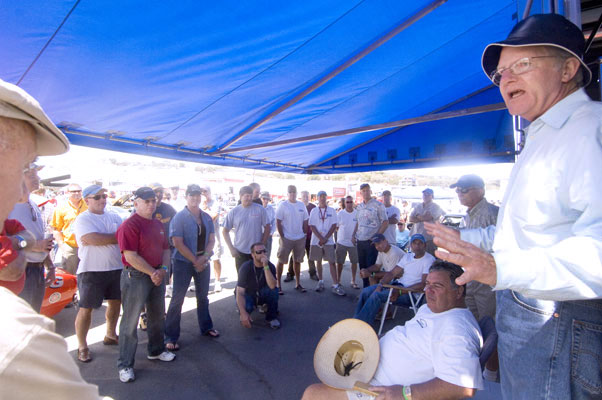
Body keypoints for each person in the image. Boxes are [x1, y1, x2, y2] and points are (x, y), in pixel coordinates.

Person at [426, 14, 602, 399]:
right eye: (501, 73)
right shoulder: (542, 135)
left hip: (559, 320)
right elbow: (522, 230)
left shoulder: (587, 131)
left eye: (522, 65)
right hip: (536, 315)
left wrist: (499, 268)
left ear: (569, 68)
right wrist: (463, 237)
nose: (506, 80)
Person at [0, 77, 110, 399]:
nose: (24, 190)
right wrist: (25, 244)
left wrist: (38, 254)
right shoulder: (18, 337)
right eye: (24, 167)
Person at [303, 261, 483, 400]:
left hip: (383, 389)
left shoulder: (457, 329)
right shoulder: (432, 309)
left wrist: (405, 393)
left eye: (437, 286)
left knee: (313, 394)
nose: (428, 291)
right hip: (370, 367)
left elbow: (463, 386)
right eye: (427, 284)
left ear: (458, 291)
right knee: (332, 365)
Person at [116, 186, 175, 383]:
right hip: (137, 276)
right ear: (136, 203)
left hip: (157, 274)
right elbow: (130, 256)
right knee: (130, 321)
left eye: (153, 201)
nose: (151, 204)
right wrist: (153, 272)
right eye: (147, 201)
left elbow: (166, 249)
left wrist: (164, 270)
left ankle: (156, 350)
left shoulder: (157, 224)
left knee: (157, 315)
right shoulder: (130, 225)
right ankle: (125, 364)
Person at [72, 185, 123, 363]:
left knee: (116, 303)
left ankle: (110, 334)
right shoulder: (82, 219)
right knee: (86, 309)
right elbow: (91, 239)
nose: (103, 199)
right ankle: (82, 346)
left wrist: (108, 237)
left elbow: (122, 235)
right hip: (91, 271)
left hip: (116, 268)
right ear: (87, 201)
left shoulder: (115, 216)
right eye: (98, 197)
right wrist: (116, 236)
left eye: (104, 196)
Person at [165, 184, 218, 350]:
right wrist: (196, 261)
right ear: (186, 197)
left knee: (203, 297)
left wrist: (204, 258)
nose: (195, 198)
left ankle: (206, 327)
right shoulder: (179, 217)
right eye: (192, 195)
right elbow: (177, 243)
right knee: (177, 299)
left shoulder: (207, 217)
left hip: (203, 260)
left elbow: (211, 240)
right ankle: (171, 336)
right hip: (182, 262)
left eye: (198, 195)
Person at [354, 234, 435, 325]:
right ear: (411, 245)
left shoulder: (429, 259)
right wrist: (381, 284)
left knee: (376, 295)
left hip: (410, 294)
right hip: (397, 286)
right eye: (414, 243)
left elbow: (423, 284)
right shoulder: (408, 256)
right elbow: (392, 273)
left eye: (420, 243)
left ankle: (362, 325)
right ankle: (357, 319)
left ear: (425, 245)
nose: (417, 246)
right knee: (365, 292)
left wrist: (399, 291)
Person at [450, 174, 499, 321]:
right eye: (457, 190)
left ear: (481, 191)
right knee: (472, 320)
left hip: (487, 281)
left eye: (464, 190)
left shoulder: (493, 214)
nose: (459, 193)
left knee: (488, 321)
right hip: (470, 278)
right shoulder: (467, 216)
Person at [8, 162, 55, 311]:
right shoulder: (6, 205)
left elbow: (42, 240)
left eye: (36, 173)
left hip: (36, 271)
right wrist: (35, 245)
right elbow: (6, 240)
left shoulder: (33, 204)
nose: (37, 177)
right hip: (19, 271)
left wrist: (49, 265)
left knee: (31, 318)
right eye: (31, 174)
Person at [223, 185, 270, 272]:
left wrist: (262, 243)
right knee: (242, 277)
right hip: (240, 251)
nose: (249, 198)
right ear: (240, 196)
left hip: (257, 252)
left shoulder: (260, 209)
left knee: (258, 276)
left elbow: (267, 227)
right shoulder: (234, 212)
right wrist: (231, 248)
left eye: (251, 196)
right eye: (246, 196)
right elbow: (225, 231)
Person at [236, 242, 280, 330]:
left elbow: (272, 286)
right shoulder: (246, 267)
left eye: (264, 251)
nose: (263, 254)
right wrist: (243, 312)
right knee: (246, 308)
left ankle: (271, 317)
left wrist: (266, 266)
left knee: (274, 291)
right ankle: (245, 310)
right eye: (259, 252)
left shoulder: (270, 266)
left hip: (262, 291)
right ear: (253, 255)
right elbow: (240, 292)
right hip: (249, 293)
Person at [275, 185, 309, 293]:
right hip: (287, 238)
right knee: (281, 261)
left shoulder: (301, 205)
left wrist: (304, 232)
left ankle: (298, 283)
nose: (292, 194)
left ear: (296, 193)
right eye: (290, 192)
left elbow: (305, 219)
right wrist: (282, 236)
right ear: (287, 193)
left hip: (300, 238)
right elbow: (278, 221)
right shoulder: (283, 205)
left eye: (294, 192)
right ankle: (278, 285)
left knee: (298, 261)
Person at [309, 191, 343, 295]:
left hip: (328, 241)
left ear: (326, 198)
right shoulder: (314, 211)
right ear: (317, 198)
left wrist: (325, 238)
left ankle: (336, 284)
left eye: (324, 196)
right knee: (318, 261)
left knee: (332, 262)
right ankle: (321, 281)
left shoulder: (332, 210)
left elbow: (334, 225)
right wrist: (320, 238)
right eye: (320, 196)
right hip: (316, 241)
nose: (322, 198)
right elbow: (312, 225)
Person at [355, 183, 388, 287]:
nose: (365, 192)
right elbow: (358, 222)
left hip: (372, 242)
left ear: (371, 191)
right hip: (360, 241)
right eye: (363, 191)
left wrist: (377, 237)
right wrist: (353, 235)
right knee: (362, 267)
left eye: (367, 190)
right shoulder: (359, 207)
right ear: (360, 193)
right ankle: (365, 290)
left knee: (372, 268)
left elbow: (385, 222)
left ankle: (373, 290)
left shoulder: (378, 205)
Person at [51, 182, 87, 274]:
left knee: (87, 275)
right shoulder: (61, 208)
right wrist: (62, 245)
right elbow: (56, 229)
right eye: (73, 191)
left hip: (87, 245)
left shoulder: (88, 204)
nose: (77, 193)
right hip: (71, 247)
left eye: (79, 191)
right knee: (70, 274)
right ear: (67, 193)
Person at [150, 183, 177, 296]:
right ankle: (145, 311)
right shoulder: (145, 209)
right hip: (149, 252)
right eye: (156, 191)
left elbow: (178, 223)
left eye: (161, 191)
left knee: (165, 273)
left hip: (167, 250)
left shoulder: (169, 209)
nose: (159, 194)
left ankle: (161, 306)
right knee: (150, 279)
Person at [286, 190, 317, 281]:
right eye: (304, 196)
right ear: (300, 197)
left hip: (310, 236)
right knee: (294, 256)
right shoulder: (297, 206)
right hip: (298, 236)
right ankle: (290, 274)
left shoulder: (313, 207)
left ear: (310, 197)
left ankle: (313, 273)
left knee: (311, 255)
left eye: (307, 196)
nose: (305, 198)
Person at [201, 185, 224, 292]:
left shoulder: (215, 203)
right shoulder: (198, 203)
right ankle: (200, 283)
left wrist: (205, 208)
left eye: (205, 191)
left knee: (215, 259)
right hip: (201, 237)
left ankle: (217, 282)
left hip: (213, 236)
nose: (203, 193)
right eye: (201, 192)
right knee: (201, 259)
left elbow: (212, 218)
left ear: (209, 192)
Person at [409, 188, 444, 255]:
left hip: (428, 239)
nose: (425, 196)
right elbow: (410, 219)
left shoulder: (436, 207)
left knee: (429, 259)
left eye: (428, 195)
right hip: (416, 238)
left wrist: (417, 216)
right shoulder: (418, 206)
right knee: (415, 258)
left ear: (432, 196)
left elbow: (427, 217)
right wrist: (421, 217)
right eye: (424, 194)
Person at [336, 195, 359, 289]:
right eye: (347, 202)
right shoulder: (340, 213)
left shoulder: (357, 213)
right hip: (341, 242)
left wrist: (354, 236)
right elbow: (337, 227)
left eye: (350, 202)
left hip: (353, 243)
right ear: (344, 203)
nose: (349, 204)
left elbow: (359, 226)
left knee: (354, 262)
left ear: (353, 202)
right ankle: (338, 280)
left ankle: (353, 280)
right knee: (340, 262)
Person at [259, 191, 276, 261]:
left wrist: (271, 232)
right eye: (264, 198)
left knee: (267, 253)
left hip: (268, 234)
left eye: (267, 199)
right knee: (257, 254)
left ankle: (266, 270)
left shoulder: (271, 208)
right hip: (258, 234)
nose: (266, 201)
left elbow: (274, 221)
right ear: (260, 198)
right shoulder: (257, 208)